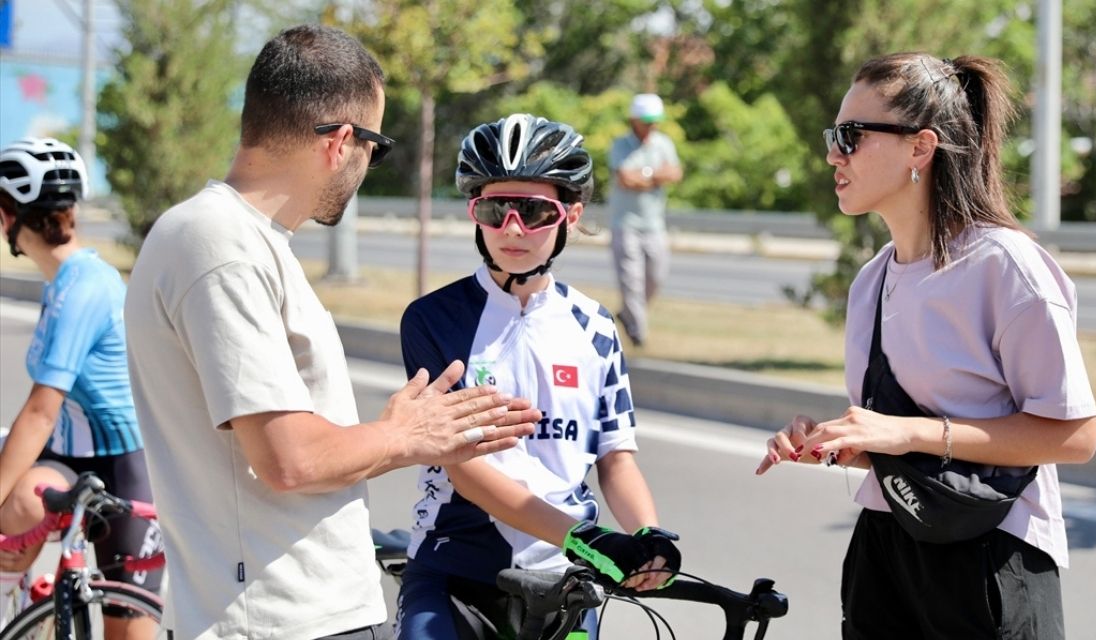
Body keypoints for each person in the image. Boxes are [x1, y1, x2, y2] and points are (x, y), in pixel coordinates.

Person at [123, 26, 538, 640]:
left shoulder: (239, 240)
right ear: (343, 141)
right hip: (280, 619)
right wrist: (403, 435)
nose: (368, 163)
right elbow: (289, 458)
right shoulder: (223, 246)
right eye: (377, 144)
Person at [755, 53, 1096, 639]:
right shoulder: (873, 279)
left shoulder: (1006, 266)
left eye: (851, 136)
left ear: (921, 148)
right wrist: (843, 444)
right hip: (884, 550)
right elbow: (908, 448)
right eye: (832, 137)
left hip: (991, 558)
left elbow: (1073, 435)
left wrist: (901, 432)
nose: (834, 154)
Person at [396, 113, 681, 640]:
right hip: (456, 571)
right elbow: (466, 470)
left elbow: (616, 458)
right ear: (473, 212)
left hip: (565, 583)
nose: (512, 228)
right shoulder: (432, 319)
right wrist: (589, 539)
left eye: (532, 211)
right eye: (495, 208)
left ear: (571, 215)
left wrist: (647, 536)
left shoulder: (595, 326)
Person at [0, 138, 161, 639]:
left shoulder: (84, 287)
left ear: (8, 216)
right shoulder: (62, 282)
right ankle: (25, 607)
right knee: (21, 501)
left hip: (127, 466)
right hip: (70, 458)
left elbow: (40, 413)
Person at [607, 93, 683, 347]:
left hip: (654, 224)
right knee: (632, 281)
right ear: (634, 120)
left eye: (655, 121)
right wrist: (654, 175)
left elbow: (674, 172)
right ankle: (639, 334)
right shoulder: (620, 145)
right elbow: (626, 180)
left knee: (656, 277)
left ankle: (629, 315)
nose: (652, 126)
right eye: (647, 120)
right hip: (625, 224)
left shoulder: (663, 144)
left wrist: (645, 176)